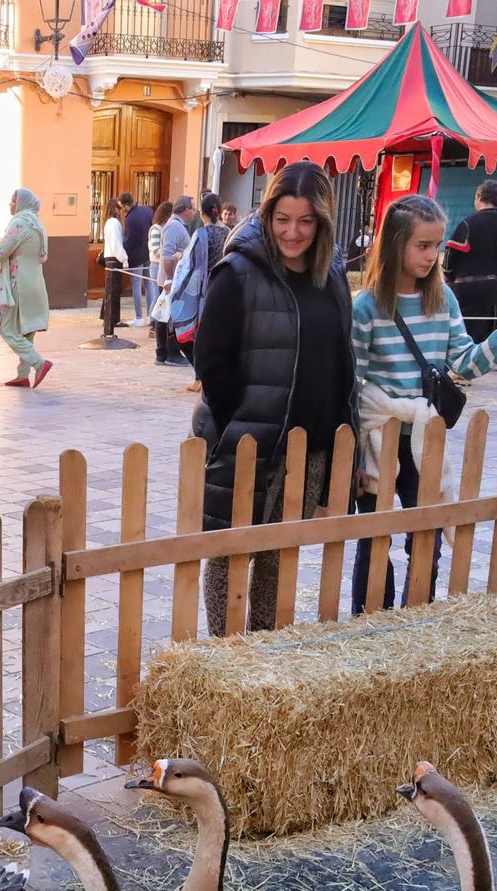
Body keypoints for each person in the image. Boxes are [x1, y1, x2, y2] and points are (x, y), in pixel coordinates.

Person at [190, 163, 358, 634]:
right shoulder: (239, 271)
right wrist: (236, 426)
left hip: (311, 447)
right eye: (283, 218)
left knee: (278, 555)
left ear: (322, 221)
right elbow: (211, 360)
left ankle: (265, 651)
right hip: (249, 441)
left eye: (305, 221)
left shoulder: (333, 276)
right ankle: (227, 658)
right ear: (267, 215)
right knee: (229, 551)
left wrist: (347, 436)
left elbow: (343, 362)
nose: (293, 231)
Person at [351, 193, 497, 615]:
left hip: (424, 437)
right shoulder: (366, 307)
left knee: (426, 536)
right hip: (378, 435)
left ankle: (418, 619)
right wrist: (356, 455)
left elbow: (465, 363)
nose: (432, 255)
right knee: (375, 537)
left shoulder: (444, 299)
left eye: (436, 245)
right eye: (423, 245)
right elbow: (352, 383)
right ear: (395, 244)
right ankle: (369, 622)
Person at [0, 187, 52, 388]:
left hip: (18, 283)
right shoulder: (38, 224)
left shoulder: (20, 223)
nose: (10, 204)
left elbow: (3, 249)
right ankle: (22, 375)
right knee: (27, 329)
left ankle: (39, 363)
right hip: (36, 283)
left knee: (6, 329)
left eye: (13, 201)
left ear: (21, 203)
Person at [444, 181, 497, 345]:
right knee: (488, 339)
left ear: (478, 196)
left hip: (467, 289)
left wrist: (449, 276)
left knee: (463, 336)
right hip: (493, 287)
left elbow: (449, 257)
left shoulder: (468, 224)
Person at [169, 190, 228, 380]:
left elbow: (190, 262)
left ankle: (202, 376)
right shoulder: (228, 232)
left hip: (204, 289)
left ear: (202, 213)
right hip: (223, 286)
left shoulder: (202, 233)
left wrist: (180, 258)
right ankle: (204, 377)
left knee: (188, 334)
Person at [156, 195, 196, 365]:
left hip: (173, 278)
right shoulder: (175, 227)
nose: (194, 212)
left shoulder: (176, 226)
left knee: (166, 315)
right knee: (169, 316)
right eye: (192, 209)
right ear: (186, 210)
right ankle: (169, 352)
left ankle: (164, 352)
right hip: (171, 279)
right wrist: (170, 279)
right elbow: (167, 255)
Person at [149, 200, 175, 363]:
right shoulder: (157, 229)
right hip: (157, 265)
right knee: (157, 299)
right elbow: (157, 249)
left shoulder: (167, 229)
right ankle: (153, 323)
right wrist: (172, 254)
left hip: (162, 265)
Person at [100, 195, 129, 337]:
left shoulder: (109, 223)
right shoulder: (114, 223)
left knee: (113, 291)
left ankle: (112, 319)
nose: (121, 211)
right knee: (113, 291)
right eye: (119, 208)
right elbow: (117, 244)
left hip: (111, 257)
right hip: (114, 258)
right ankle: (112, 320)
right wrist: (124, 259)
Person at [123, 192, 153, 325]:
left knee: (136, 285)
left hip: (136, 256)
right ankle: (151, 315)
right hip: (148, 253)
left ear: (125, 206)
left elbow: (130, 240)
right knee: (149, 284)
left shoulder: (130, 218)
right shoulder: (147, 211)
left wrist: (125, 253)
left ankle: (139, 317)